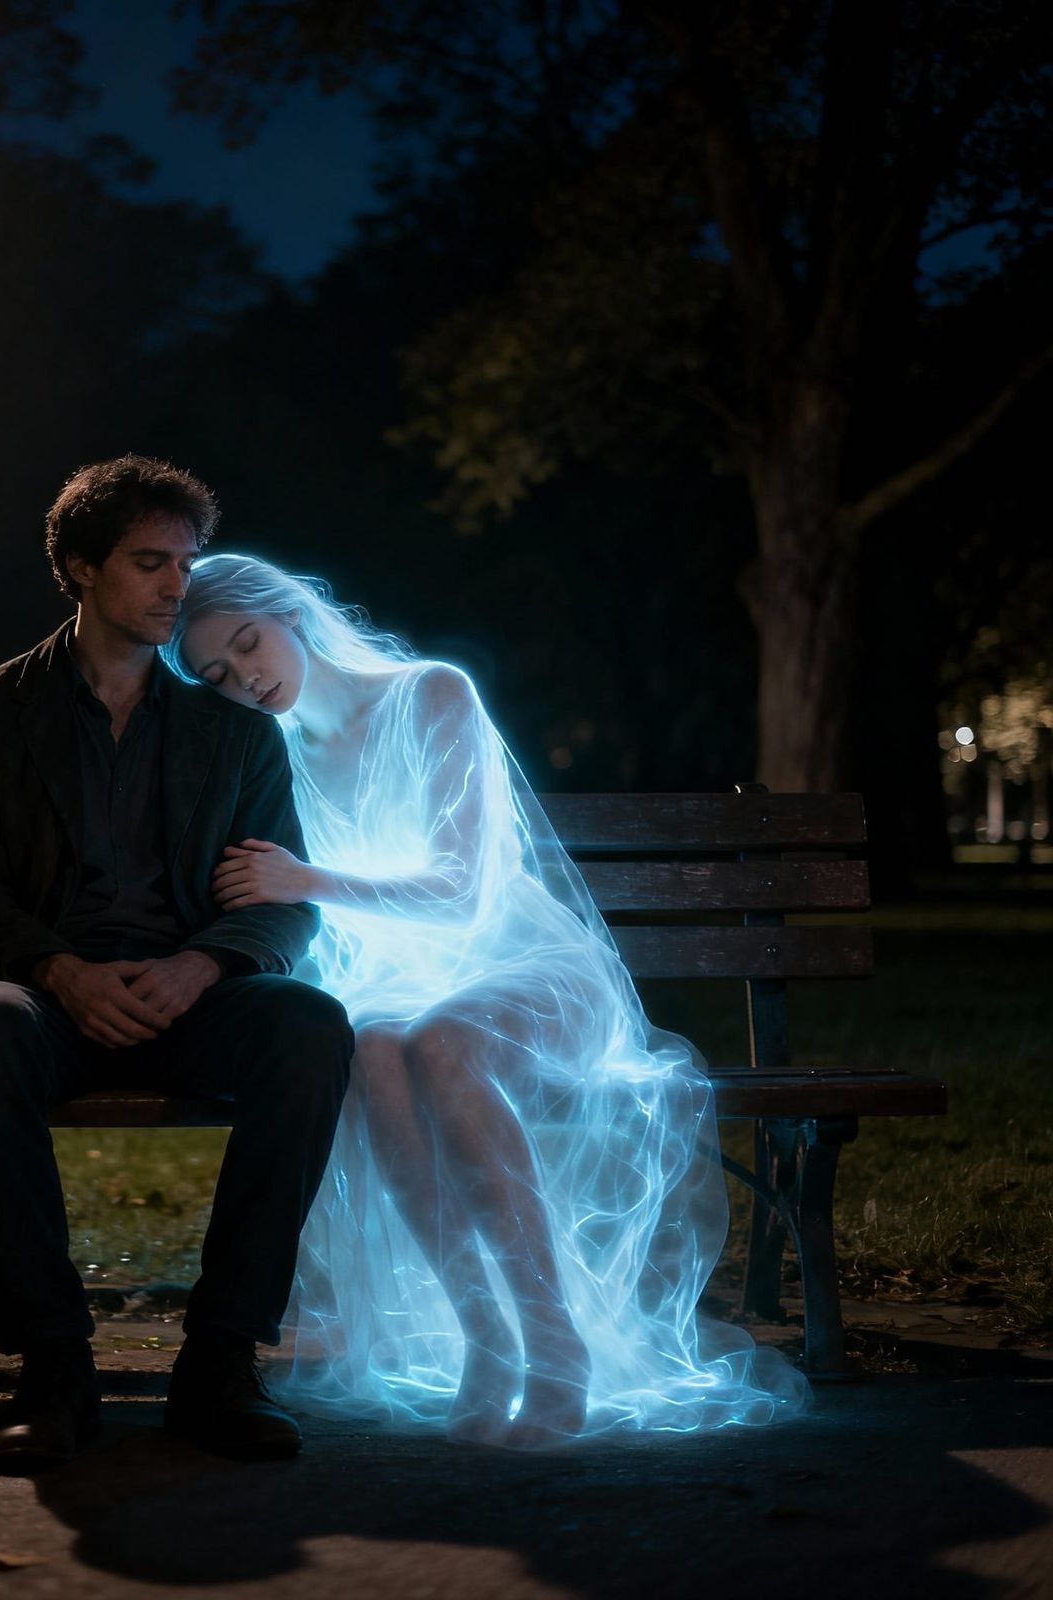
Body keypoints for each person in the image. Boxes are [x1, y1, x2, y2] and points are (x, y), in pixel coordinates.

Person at [164, 553, 807, 1447]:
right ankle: (487, 1342)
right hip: (406, 981)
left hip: (534, 970)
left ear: (294, 615)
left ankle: (555, 1345)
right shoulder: (272, 755)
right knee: (376, 1051)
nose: (246, 677)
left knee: (443, 1043)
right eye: (218, 676)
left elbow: (462, 892)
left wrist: (305, 878)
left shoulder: (431, 695)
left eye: (248, 643)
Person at [0, 462, 353, 1471]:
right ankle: (54, 1370)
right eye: (149, 562)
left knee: (308, 1027)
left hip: (187, 998)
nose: (177, 584)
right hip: (47, 999)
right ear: (81, 565)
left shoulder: (234, 732)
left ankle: (221, 1363)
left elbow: (279, 907)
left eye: (184, 561)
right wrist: (58, 970)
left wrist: (200, 969)